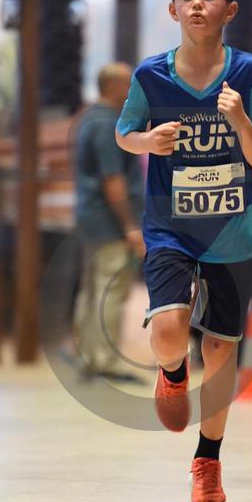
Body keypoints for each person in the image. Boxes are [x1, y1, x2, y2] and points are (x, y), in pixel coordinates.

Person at [116, 0, 252, 502]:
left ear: (228, 10)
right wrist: (148, 142)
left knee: (220, 347)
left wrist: (240, 120)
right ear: (172, 10)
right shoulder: (151, 75)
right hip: (171, 227)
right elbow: (124, 134)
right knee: (169, 330)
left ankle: (208, 461)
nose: (197, 4)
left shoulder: (249, 74)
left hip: (231, 232)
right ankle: (171, 372)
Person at [73, 62, 146, 382]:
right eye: (129, 84)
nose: (133, 91)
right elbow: (112, 179)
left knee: (91, 289)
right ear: (114, 86)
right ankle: (105, 359)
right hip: (109, 221)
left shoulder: (88, 118)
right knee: (110, 289)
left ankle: (89, 356)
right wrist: (130, 224)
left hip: (91, 218)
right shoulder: (107, 125)